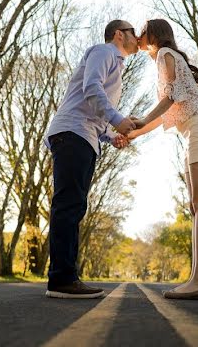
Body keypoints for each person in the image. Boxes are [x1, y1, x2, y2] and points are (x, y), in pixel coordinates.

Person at [116, 19, 198, 300]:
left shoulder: (165, 55)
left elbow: (170, 98)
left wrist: (140, 120)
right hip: (194, 129)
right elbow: (168, 110)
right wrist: (135, 133)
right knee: (196, 206)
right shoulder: (167, 59)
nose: (138, 36)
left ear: (154, 35)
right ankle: (196, 279)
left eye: (142, 31)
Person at [44, 19, 140, 299]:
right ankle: (62, 280)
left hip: (83, 136)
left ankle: (66, 277)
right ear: (120, 34)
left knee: (74, 207)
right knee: (68, 205)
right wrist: (118, 119)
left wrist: (111, 135)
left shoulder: (116, 64)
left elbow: (94, 112)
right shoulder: (104, 51)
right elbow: (91, 88)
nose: (139, 37)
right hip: (72, 133)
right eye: (134, 32)